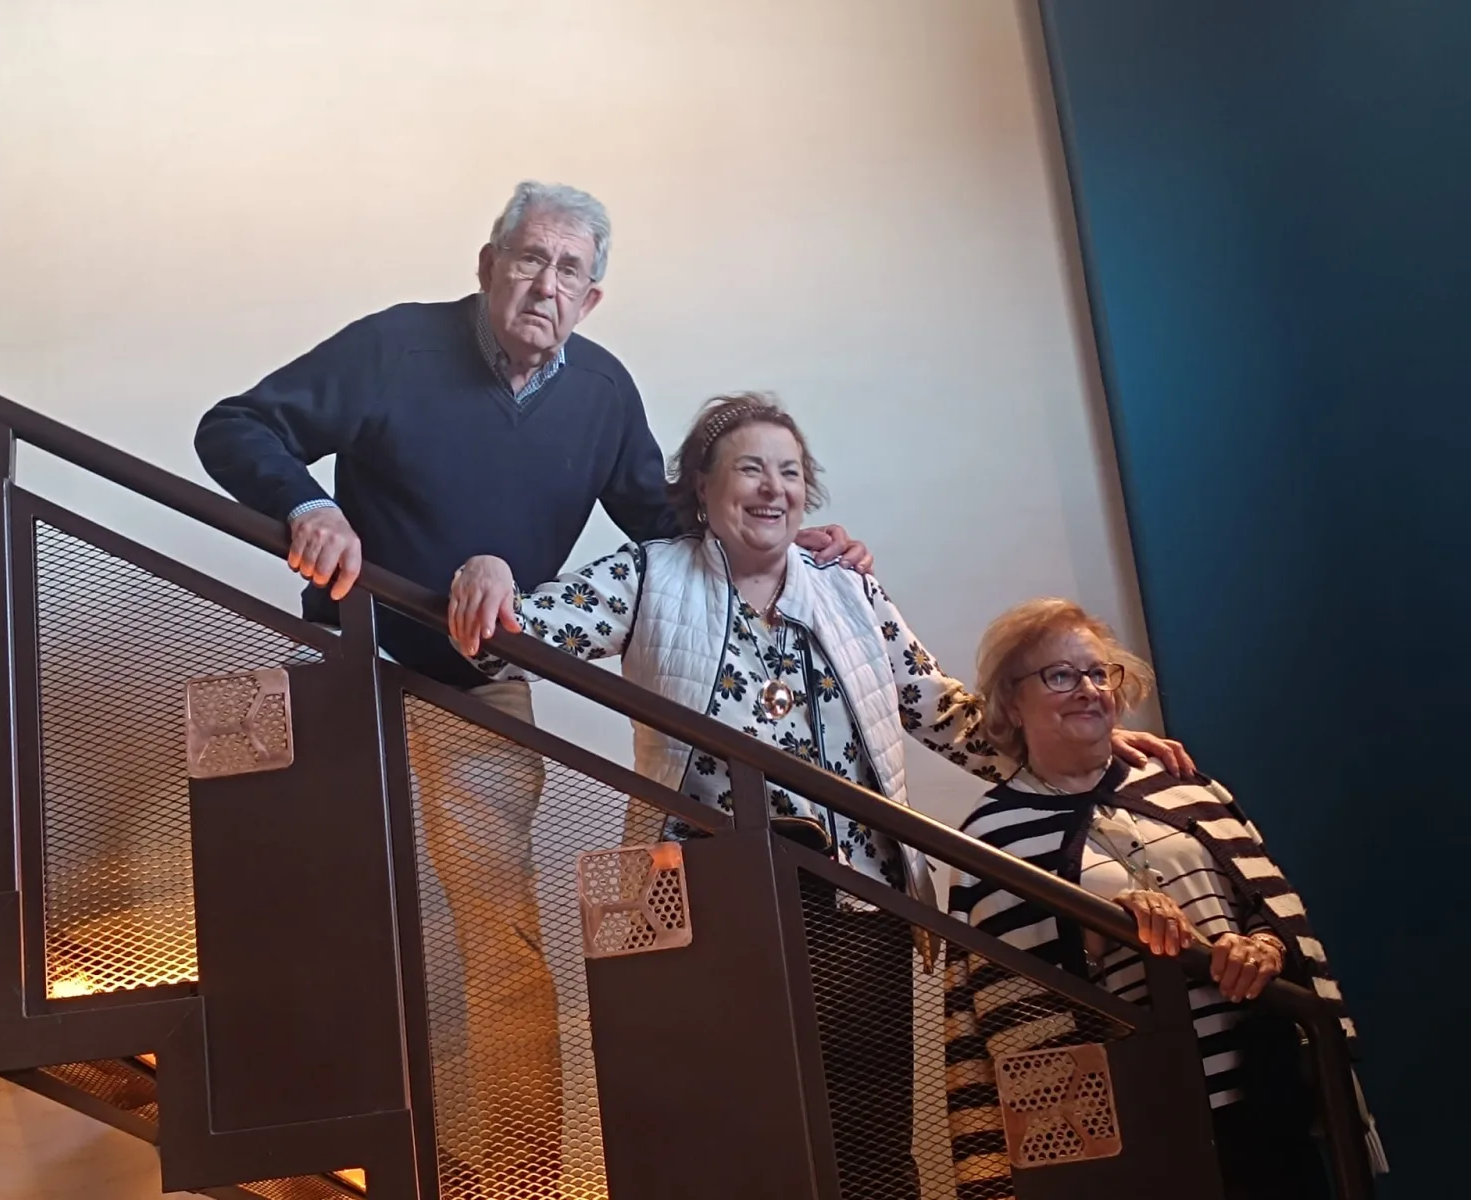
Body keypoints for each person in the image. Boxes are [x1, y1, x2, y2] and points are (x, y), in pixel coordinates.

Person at [193, 183, 872, 1199]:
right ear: (487, 262)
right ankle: (289, 1136)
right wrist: (308, 503)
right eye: (528, 258)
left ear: (591, 299)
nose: (544, 284)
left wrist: (784, 542)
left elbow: (660, 526)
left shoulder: (601, 392)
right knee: (315, 908)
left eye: (568, 271)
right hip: (346, 668)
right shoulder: (395, 347)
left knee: (498, 931)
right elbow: (235, 424)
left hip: (480, 682)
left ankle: (516, 1170)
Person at [451, 394, 1191, 1200]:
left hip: (857, 902)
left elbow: (941, 710)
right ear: (701, 485)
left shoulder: (851, 593)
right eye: (749, 468)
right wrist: (486, 568)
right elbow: (506, 637)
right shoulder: (649, 575)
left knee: (867, 1136)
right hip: (708, 906)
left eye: (790, 472)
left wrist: (1075, 733)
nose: (773, 488)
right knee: (727, 1130)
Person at [945, 598, 1381, 1200]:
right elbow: (1019, 1014)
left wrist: (1262, 948)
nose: (1088, 689)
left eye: (1100, 673)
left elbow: (1268, 907)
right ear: (1011, 703)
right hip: (1139, 1124)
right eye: (1060, 675)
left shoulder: (1182, 784)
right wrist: (1108, 924)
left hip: (1263, 1094)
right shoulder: (991, 836)